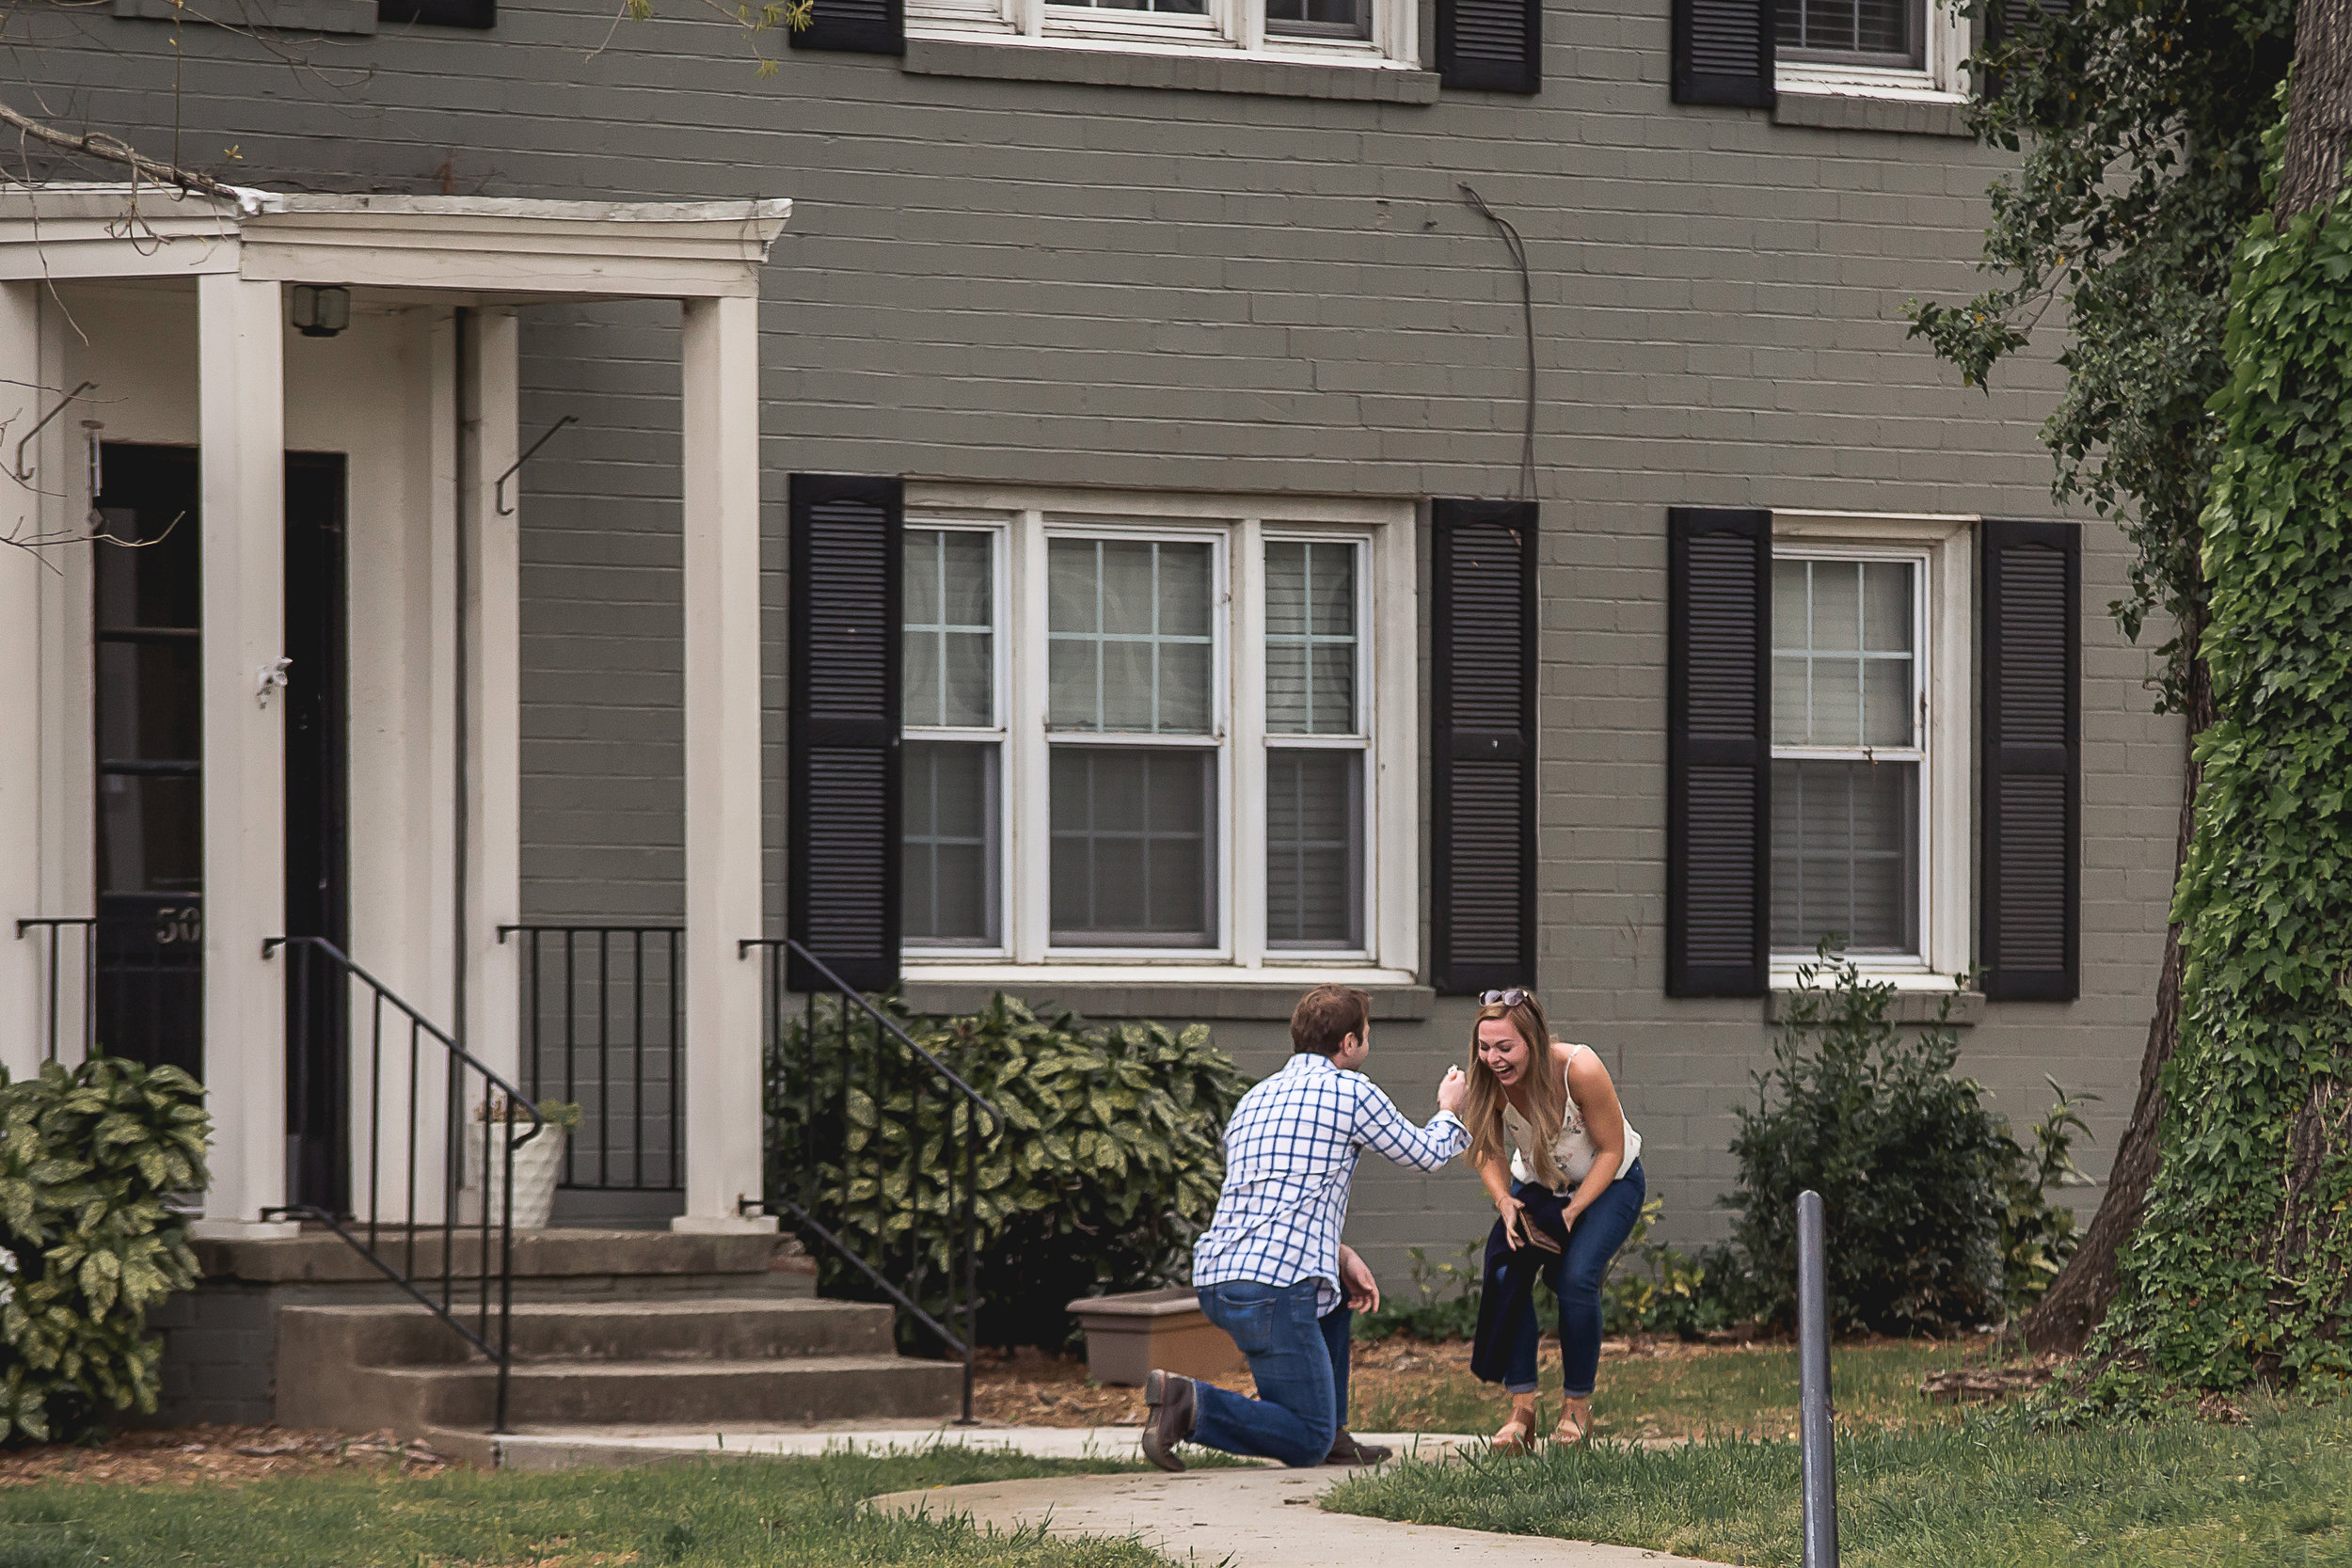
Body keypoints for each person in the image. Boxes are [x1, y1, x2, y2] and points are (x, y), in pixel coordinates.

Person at [1140, 984, 1469, 1472]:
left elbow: (1273, 1199)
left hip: (1220, 1276)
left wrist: (1338, 1254)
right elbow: (1425, 1155)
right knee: (1304, 1438)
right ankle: (1189, 1404)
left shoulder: (1255, 1097)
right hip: (1274, 1289)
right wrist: (1449, 1108)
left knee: (1332, 1300)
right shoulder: (1351, 1090)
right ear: (1351, 1042)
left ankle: (1333, 1432)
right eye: (1367, 1035)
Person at [1457, 987, 1644, 1450]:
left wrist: (1575, 1211)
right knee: (1507, 1269)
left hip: (1609, 1183)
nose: (1493, 1059)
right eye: (1484, 1047)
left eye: (1505, 1047)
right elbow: (1488, 1148)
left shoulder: (1578, 1068)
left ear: (1533, 1042)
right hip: (1539, 1185)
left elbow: (1612, 1150)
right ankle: (1522, 1410)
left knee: (1576, 1279)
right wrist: (1504, 1200)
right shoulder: (1486, 1083)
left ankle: (1577, 1409)